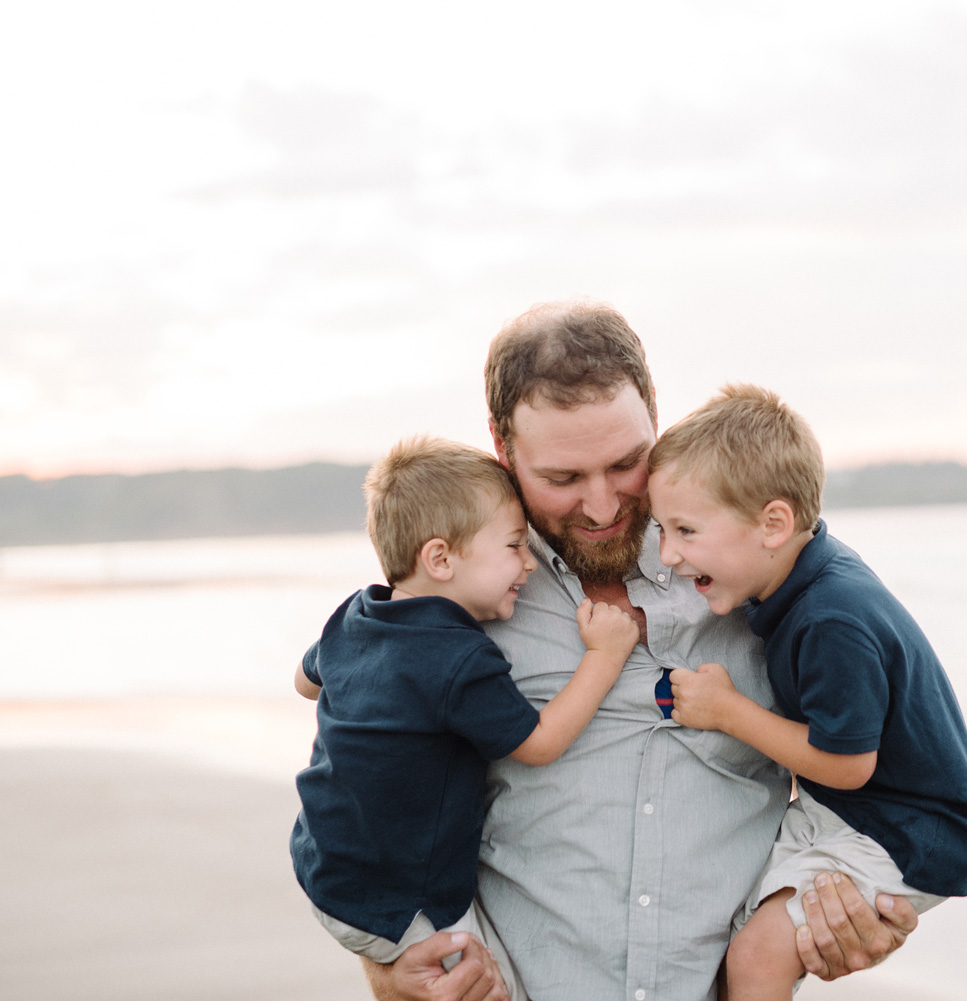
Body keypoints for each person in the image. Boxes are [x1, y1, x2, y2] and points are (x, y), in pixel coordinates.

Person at [364, 302, 922, 1001]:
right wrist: (389, 963)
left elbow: (875, 772)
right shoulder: (459, 595)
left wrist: (849, 909)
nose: (601, 506)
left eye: (627, 463)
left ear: (656, 413)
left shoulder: (759, 569)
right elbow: (366, 783)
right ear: (503, 449)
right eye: (563, 479)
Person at [648, 384, 967, 1001]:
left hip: (908, 826)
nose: (669, 554)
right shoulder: (798, 573)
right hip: (857, 807)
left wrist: (729, 712)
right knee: (728, 919)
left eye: (685, 530)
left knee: (758, 954)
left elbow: (847, 764)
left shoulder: (832, 618)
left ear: (772, 524)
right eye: (661, 529)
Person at [291, 436, 639, 1001]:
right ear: (441, 559)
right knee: (485, 988)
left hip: (325, 869)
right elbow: (540, 742)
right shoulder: (458, 659)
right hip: (406, 903)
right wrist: (604, 657)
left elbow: (306, 681)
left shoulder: (356, 613)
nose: (528, 563)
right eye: (512, 546)